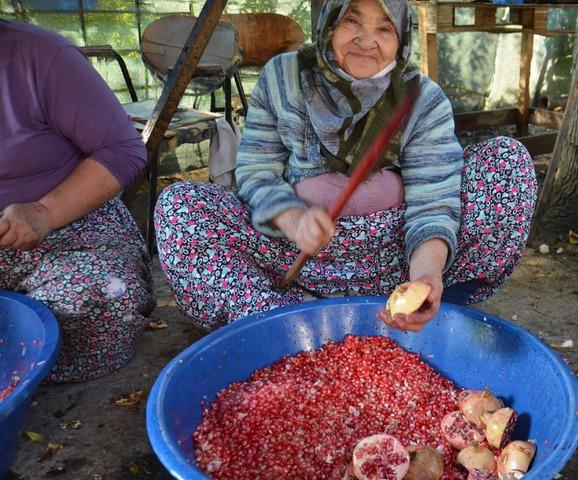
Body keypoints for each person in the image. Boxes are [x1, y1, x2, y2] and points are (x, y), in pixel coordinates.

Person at [154, 0, 536, 332]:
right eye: (351, 21)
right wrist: (291, 219)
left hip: (394, 257)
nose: (366, 41)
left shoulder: (421, 96)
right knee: (180, 207)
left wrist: (424, 278)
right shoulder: (283, 77)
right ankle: (278, 320)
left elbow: (433, 202)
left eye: (385, 28)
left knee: (508, 163)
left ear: (402, 38)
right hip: (292, 254)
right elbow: (257, 171)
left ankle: (425, 313)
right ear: (328, 22)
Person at [0, 20, 155, 382]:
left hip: (70, 232)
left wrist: (45, 212)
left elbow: (123, 149)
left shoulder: (40, 55)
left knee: (101, 300)